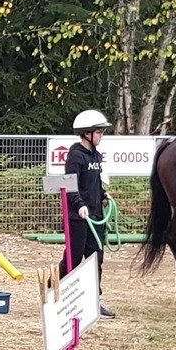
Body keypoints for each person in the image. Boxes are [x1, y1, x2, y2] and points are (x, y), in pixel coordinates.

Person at [63, 109, 115, 318]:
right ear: (87, 133)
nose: (101, 136)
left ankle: (95, 299)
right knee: (73, 258)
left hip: (96, 215)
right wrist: (79, 204)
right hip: (79, 216)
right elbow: (71, 185)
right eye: (99, 132)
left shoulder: (96, 155)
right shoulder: (76, 156)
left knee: (96, 258)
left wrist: (103, 194)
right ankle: (62, 293)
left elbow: (95, 181)